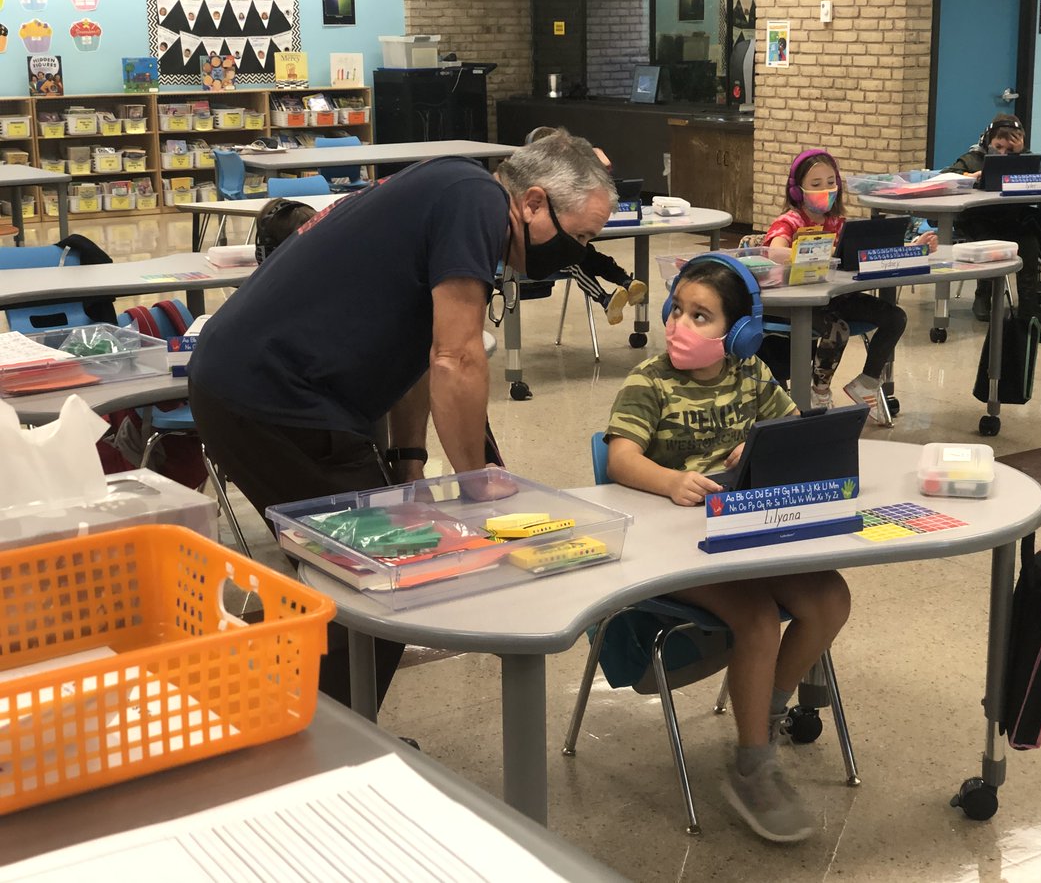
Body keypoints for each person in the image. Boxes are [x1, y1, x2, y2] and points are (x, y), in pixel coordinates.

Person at [189, 131, 616, 710]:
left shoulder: (456, 190)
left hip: (262, 389)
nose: (577, 254)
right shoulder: (476, 206)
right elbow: (456, 357)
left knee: (342, 580)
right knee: (382, 585)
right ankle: (327, 756)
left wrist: (408, 459)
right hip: (276, 399)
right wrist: (477, 486)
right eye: (580, 237)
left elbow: (421, 349)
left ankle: (314, 735)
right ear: (533, 202)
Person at [605, 254, 850, 842]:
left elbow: (790, 433)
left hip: (744, 531)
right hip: (673, 547)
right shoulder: (649, 380)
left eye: (701, 316)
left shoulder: (753, 377)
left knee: (830, 599)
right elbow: (619, 458)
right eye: (679, 311)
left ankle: (764, 710)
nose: (680, 326)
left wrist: (758, 454)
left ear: (738, 334)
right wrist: (669, 480)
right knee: (760, 622)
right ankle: (752, 763)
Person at [763, 148, 932, 422]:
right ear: (797, 191)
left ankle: (866, 382)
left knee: (895, 317)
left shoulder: (837, 223)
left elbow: (863, 253)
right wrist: (811, 255)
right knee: (837, 328)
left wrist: (914, 248)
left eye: (831, 183)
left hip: (836, 296)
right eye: (816, 185)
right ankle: (819, 391)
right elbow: (774, 252)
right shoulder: (790, 221)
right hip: (799, 300)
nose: (826, 190)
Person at [524, 125, 648, 324]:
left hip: (570, 244)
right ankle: (605, 299)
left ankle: (627, 282)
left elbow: (603, 163)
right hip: (545, 255)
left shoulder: (566, 176)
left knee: (596, 258)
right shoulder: (532, 182)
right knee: (576, 265)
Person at [943, 113, 1041, 324]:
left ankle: (1028, 304)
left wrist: (1021, 153)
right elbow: (945, 177)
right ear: (988, 141)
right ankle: (982, 297)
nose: (1003, 153)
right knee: (989, 243)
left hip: (1009, 220)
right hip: (976, 222)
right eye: (998, 146)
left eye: (1010, 149)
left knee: (1030, 242)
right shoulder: (972, 158)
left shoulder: (1024, 159)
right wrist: (970, 177)